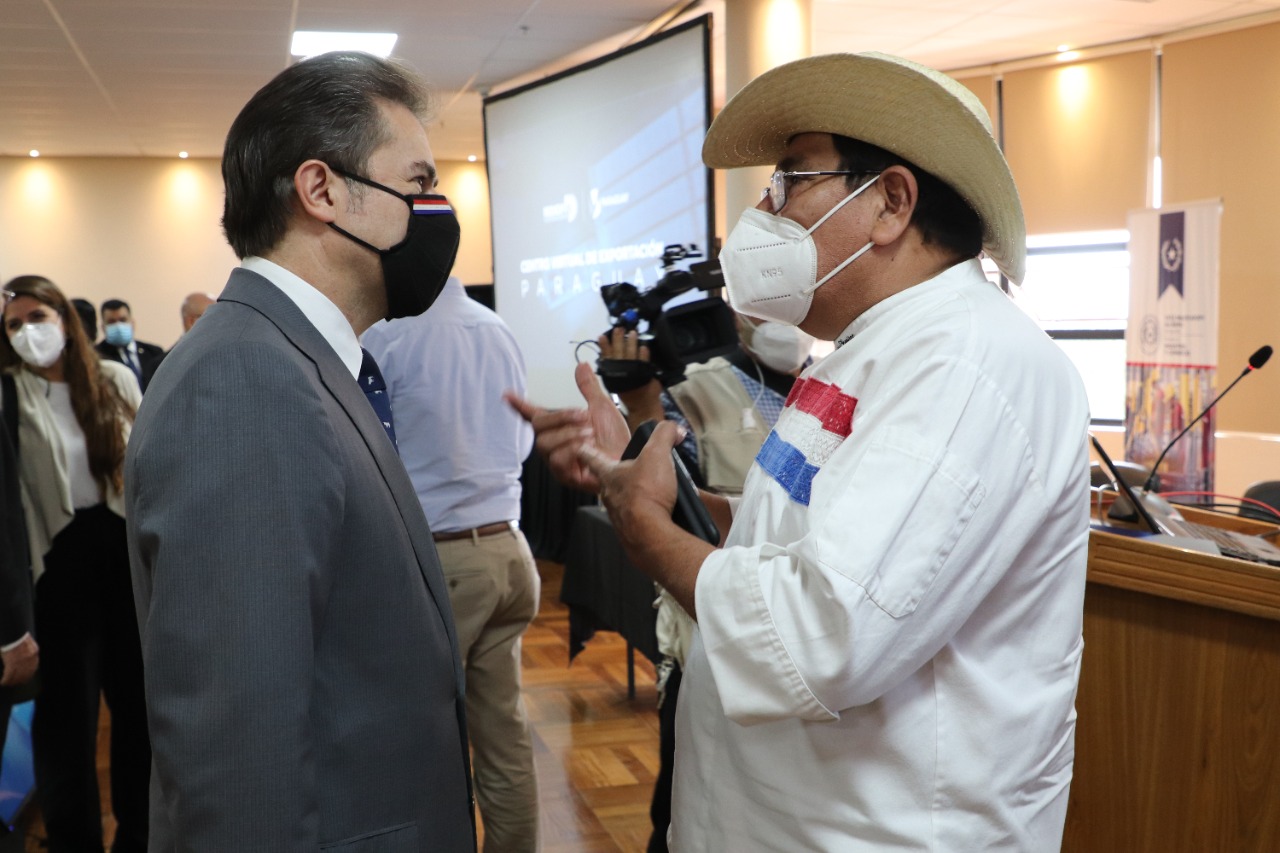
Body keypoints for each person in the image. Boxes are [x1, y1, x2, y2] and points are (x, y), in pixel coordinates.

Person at [510, 52, 1090, 851]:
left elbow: (827, 630)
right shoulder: (866, 351)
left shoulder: (966, 364)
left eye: (791, 179)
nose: (764, 207)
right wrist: (663, 479)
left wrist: (648, 533)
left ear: (891, 202)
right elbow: (812, 521)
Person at [124, 51, 475, 852]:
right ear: (321, 191)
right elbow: (237, 757)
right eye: (417, 185)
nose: (434, 211)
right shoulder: (245, 381)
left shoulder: (302, 362)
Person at [596, 317, 808, 852]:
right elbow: (665, 480)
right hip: (704, 627)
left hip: (795, 643)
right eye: (762, 310)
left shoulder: (831, 383)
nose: (779, 324)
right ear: (734, 313)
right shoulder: (696, 385)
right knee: (683, 793)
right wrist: (642, 407)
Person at [362, 274, 540, 853]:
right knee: (504, 737)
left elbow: (371, 453)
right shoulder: (499, 329)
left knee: (421, 744)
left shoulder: (388, 338)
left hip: (443, 561)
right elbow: (521, 445)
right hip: (510, 552)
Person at [1, 275, 149, 853]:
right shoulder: (10, 392)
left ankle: (139, 836)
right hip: (57, 568)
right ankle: (75, 841)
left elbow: (148, 464)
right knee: (67, 725)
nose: (27, 333)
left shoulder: (112, 378)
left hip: (121, 555)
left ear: (64, 317)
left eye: (37, 318)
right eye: (14, 325)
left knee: (137, 716)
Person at [95, 299, 166, 391]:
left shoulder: (154, 352)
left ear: (132, 323)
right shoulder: (97, 356)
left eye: (123, 320)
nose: (118, 326)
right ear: (103, 327)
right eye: (111, 322)